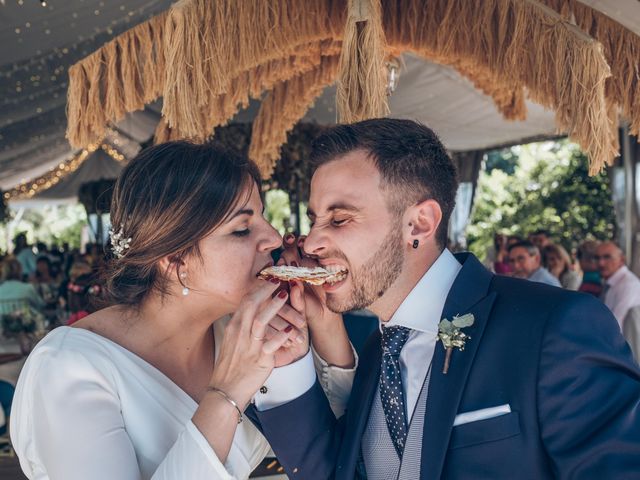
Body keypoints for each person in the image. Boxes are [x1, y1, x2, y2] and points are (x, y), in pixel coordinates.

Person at [248, 118, 640, 479]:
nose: (312, 241)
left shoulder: (554, 327)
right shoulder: (375, 355)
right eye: (314, 219)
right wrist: (289, 357)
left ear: (419, 223)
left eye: (339, 219)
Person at [10, 142, 354, 480]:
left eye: (263, 217)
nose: (275, 239)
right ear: (175, 259)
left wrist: (325, 321)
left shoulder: (235, 330)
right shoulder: (70, 368)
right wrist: (225, 394)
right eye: (242, 229)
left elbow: (337, 444)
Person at [597, 241, 640, 329]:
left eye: (607, 257)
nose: (601, 263)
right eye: (597, 258)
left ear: (621, 260)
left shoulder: (628, 284)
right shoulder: (611, 282)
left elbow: (616, 327)